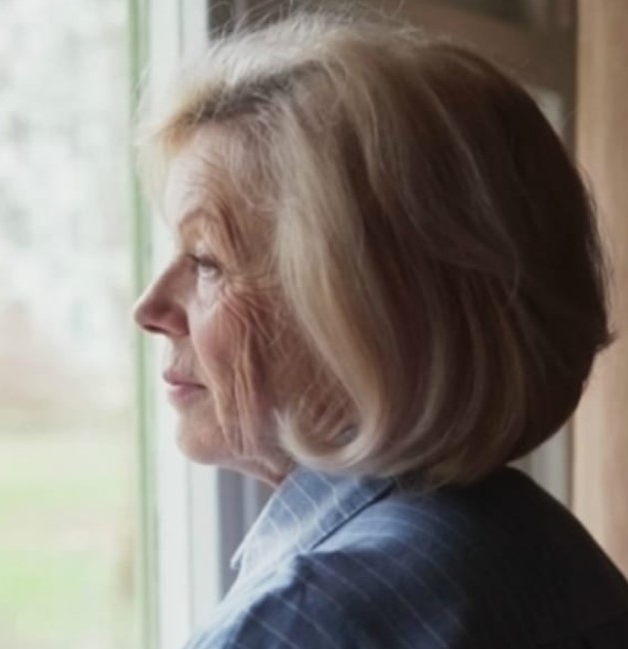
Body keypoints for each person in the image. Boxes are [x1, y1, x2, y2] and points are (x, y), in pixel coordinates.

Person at [133, 11, 628, 649]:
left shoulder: (307, 620)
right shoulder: (547, 549)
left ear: (370, 313)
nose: (150, 307)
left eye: (206, 262)